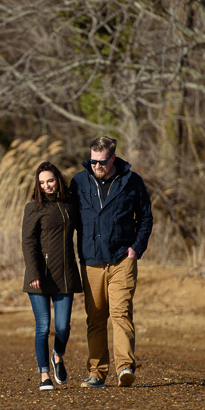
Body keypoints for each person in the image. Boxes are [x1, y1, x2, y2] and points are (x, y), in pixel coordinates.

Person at [71, 136, 153, 388]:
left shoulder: (132, 181)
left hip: (122, 260)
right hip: (91, 260)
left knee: (120, 313)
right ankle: (96, 373)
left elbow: (146, 217)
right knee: (95, 319)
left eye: (102, 161)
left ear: (113, 158)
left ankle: (125, 368)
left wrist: (136, 249)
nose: (96, 166)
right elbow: (68, 219)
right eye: (93, 161)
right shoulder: (79, 181)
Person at [21, 162, 83, 391]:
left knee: (63, 327)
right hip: (39, 277)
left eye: (50, 180)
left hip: (65, 274)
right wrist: (34, 273)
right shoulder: (34, 208)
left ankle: (58, 355)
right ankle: (44, 376)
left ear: (57, 179)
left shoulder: (70, 204)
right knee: (43, 327)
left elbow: (83, 231)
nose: (47, 186)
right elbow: (28, 243)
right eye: (42, 182)